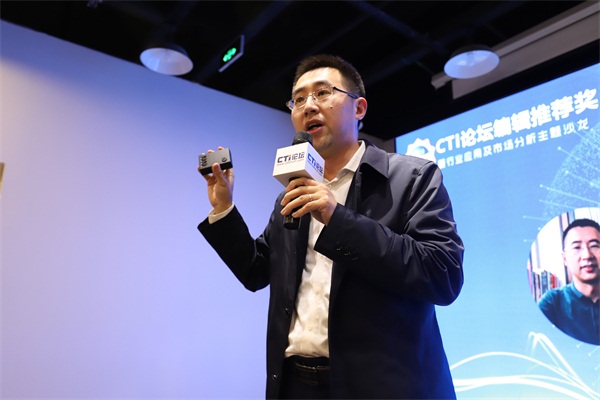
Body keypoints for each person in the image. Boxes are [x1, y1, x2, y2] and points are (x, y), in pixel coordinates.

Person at [197, 54, 464, 399]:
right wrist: (223, 208)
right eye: (298, 99)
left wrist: (337, 217)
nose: (308, 106)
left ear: (359, 108)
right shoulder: (292, 194)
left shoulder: (413, 177)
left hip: (383, 386)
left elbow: (442, 275)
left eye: (323, 93)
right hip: (296, 385)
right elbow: (256, 270)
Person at [538, 218, 600, 345]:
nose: (587, 255)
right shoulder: (552, 303)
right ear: (565, 258)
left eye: (594, 246)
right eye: (577, 247)